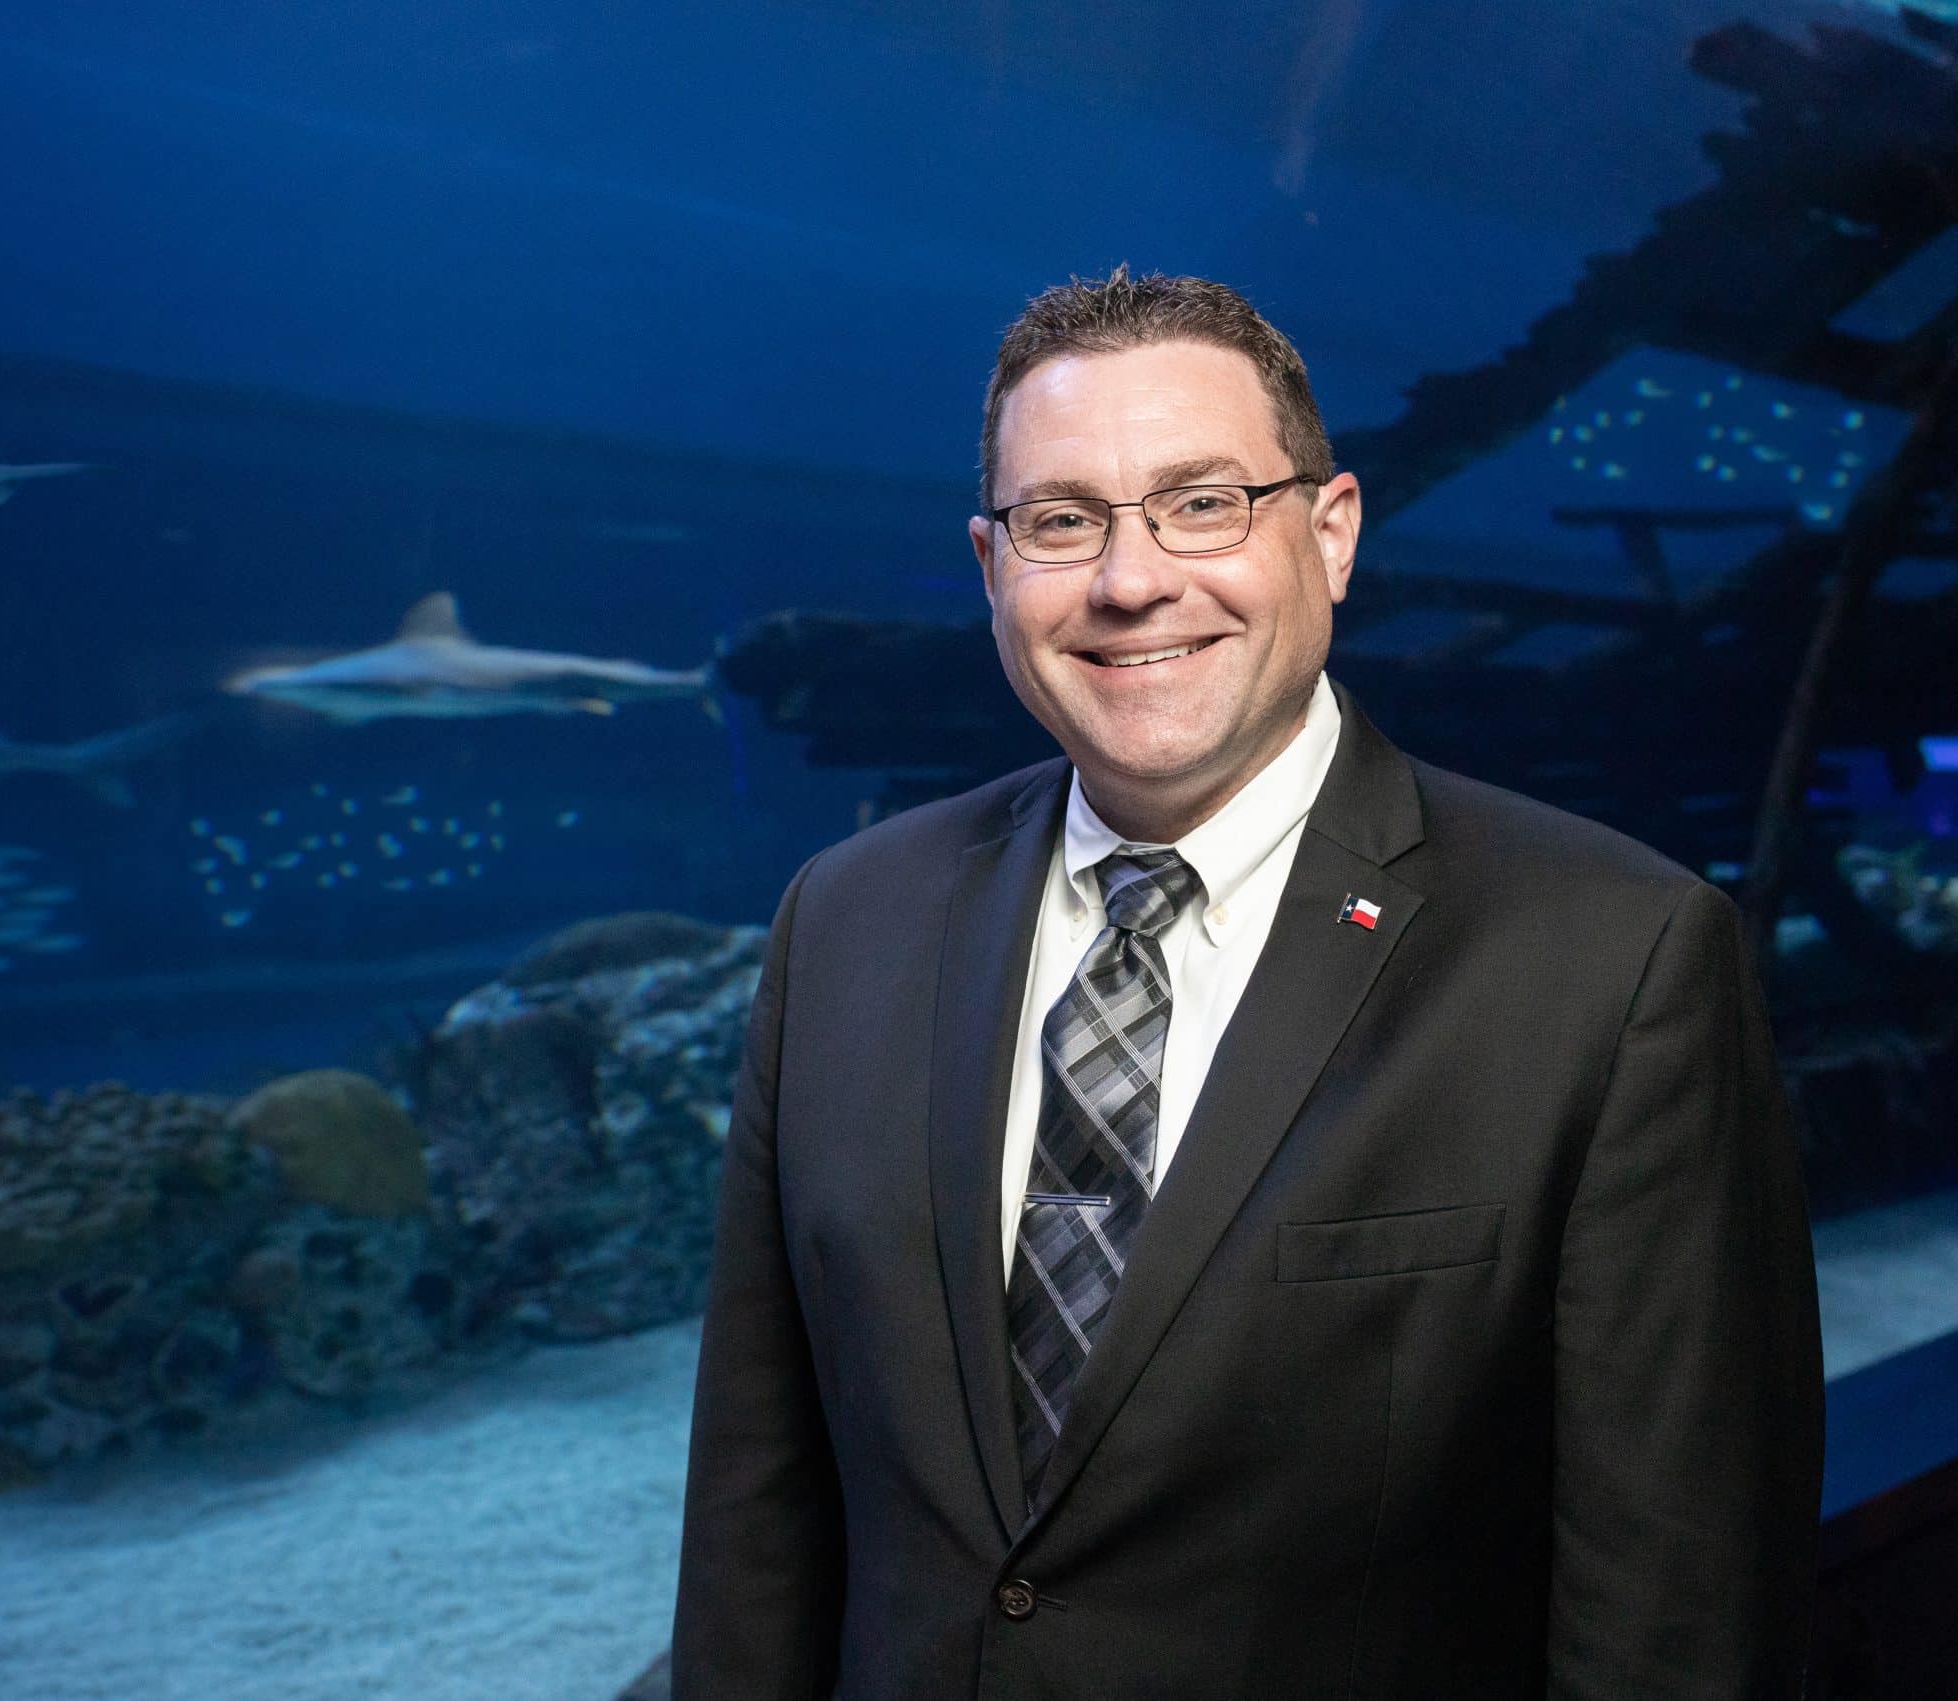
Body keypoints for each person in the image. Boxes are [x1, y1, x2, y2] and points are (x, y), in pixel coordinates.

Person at [670, 265, 1824, 1699]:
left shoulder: (1616, 962)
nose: (1131, 576)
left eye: (1202, 501)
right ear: (991, 568)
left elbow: (1683, 1614)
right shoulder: (842, 924)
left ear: (1331, 534)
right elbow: (752, 1520)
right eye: (1063, 519)